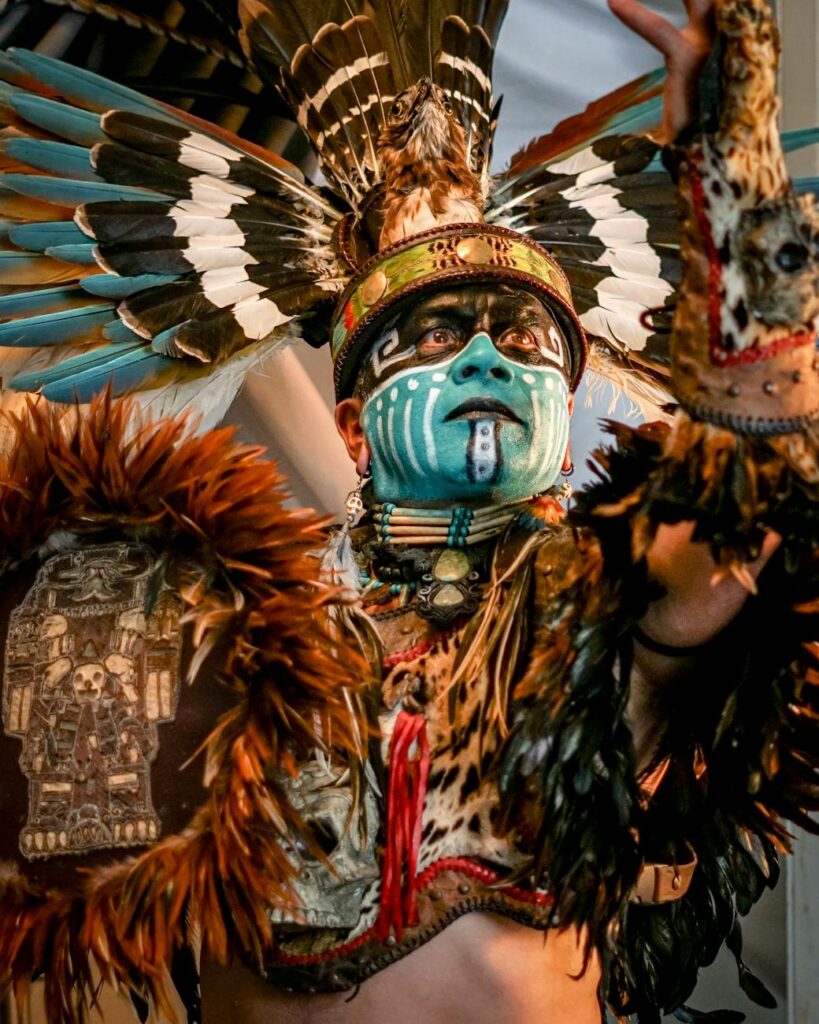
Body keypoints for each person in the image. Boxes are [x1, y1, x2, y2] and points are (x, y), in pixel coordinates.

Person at [0, 1, 816, 1023]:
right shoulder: (218, 639)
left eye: (522, 344)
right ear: (351, 427)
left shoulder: (602, 638)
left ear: (562, 425)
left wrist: (735, 181)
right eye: (434, 338)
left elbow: (754, 489)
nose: (484, 357)